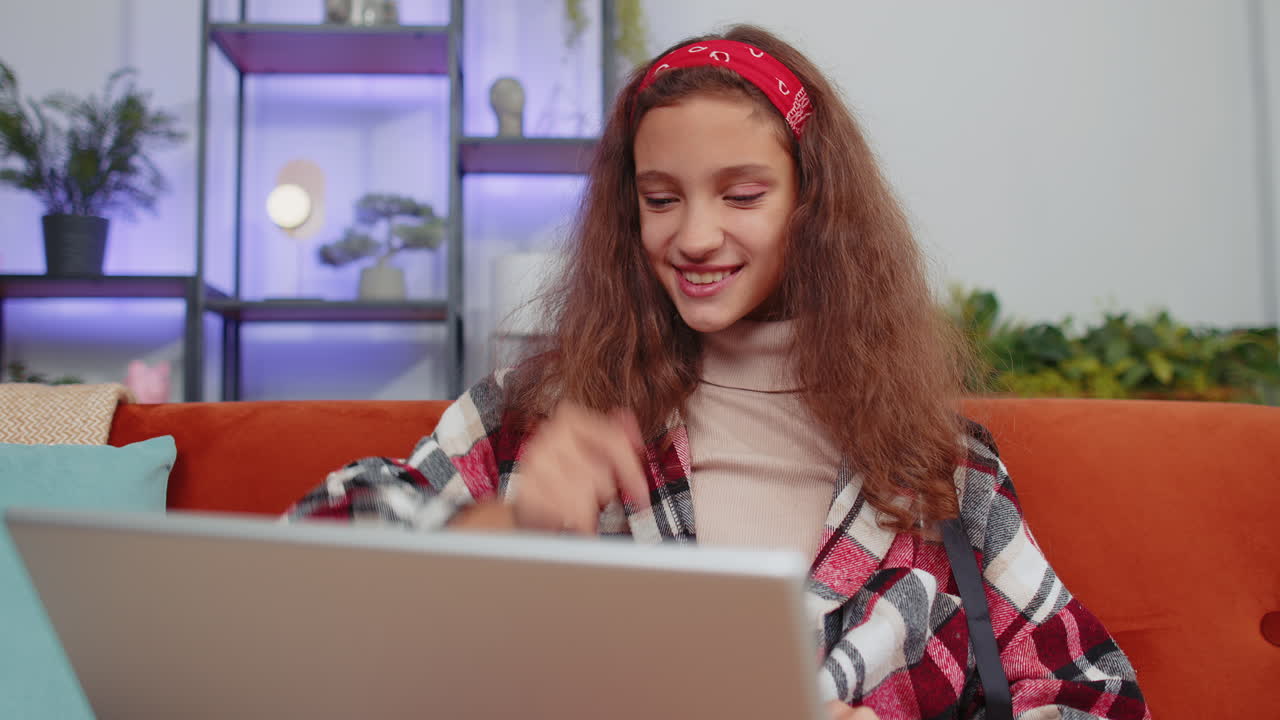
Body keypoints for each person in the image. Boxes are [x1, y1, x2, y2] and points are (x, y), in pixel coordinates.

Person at [287, 25, 1149, 720]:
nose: (695, 237)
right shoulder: (539, 414)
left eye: (741, 195)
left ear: (812, 205)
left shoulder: (942, 473)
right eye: (661, 199)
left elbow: (1098, 698)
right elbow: (302, 565)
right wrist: (508, 526)